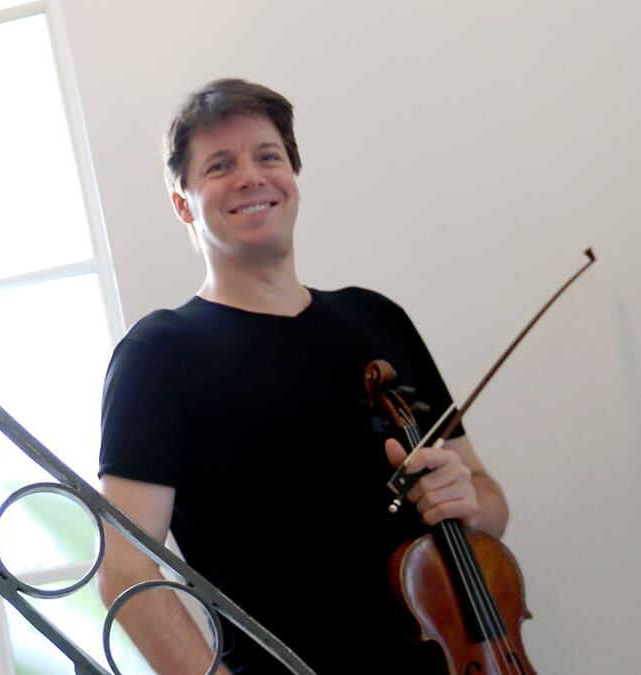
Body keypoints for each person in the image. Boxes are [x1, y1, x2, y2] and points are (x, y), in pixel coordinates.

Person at [96, 78, 509, 674]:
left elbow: (490, 503)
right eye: (219, 165)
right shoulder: (158, 354)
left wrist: (468, 501)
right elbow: (126, 570)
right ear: (183, 202)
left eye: (268, 156)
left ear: (293, 177)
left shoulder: (378, 318)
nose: (251, 176)